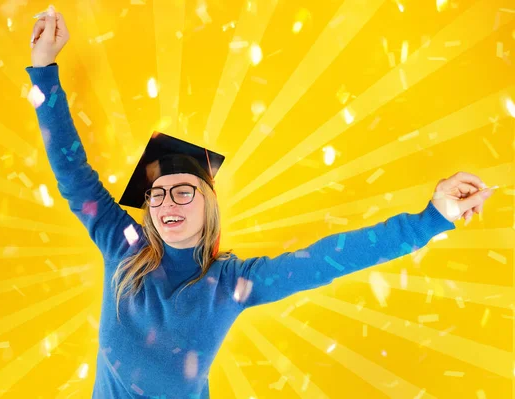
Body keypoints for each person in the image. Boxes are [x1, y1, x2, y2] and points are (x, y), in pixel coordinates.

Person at [27, 6, 497, 398]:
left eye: (183, 189)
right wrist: (44, 71)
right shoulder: (124, 246)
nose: (167, 200)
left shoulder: (228, 285)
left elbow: (329, 260)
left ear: (208, 204)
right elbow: (75, 178)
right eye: (157, 193)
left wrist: (431, 219)